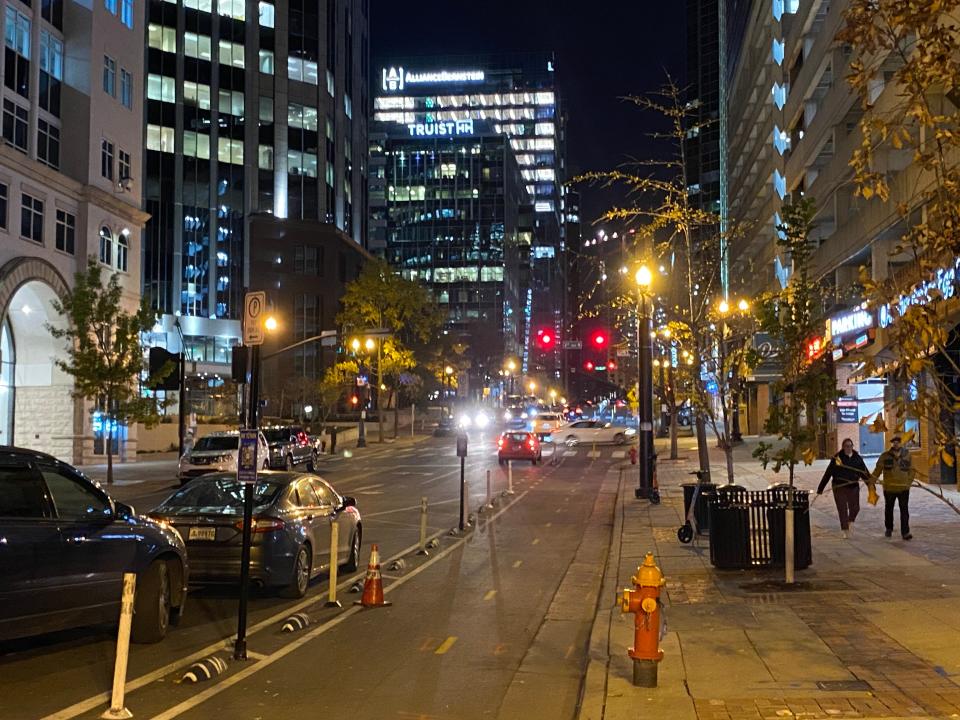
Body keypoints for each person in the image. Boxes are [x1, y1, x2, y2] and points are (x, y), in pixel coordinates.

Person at [817, 438, 869, 538]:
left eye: (850, 446)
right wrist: (821, 488)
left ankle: (850, 521)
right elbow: (828, 473)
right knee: (842, 509)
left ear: (852, 446)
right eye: (846, 446)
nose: (848, 448)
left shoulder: (857, 458)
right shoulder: (837, 458)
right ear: (843, 447)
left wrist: (870, 485)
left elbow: (864, 472)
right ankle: (845, 529)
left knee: (855, 508)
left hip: (853, 486)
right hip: (839, 486)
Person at [869, 435, 916, 540]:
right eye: (894, 442)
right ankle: (889, 528)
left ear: (901, 443)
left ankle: (905, 532)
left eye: (898, 442)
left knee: (904, 510)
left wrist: (908, 483)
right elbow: (878, 470)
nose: (896, 443)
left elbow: (912, 470)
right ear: (891, 443)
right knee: (889, 509)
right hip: (889, 488)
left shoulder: (907, 455)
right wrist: (871, 481)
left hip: (903, 488)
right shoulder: (885, 456)